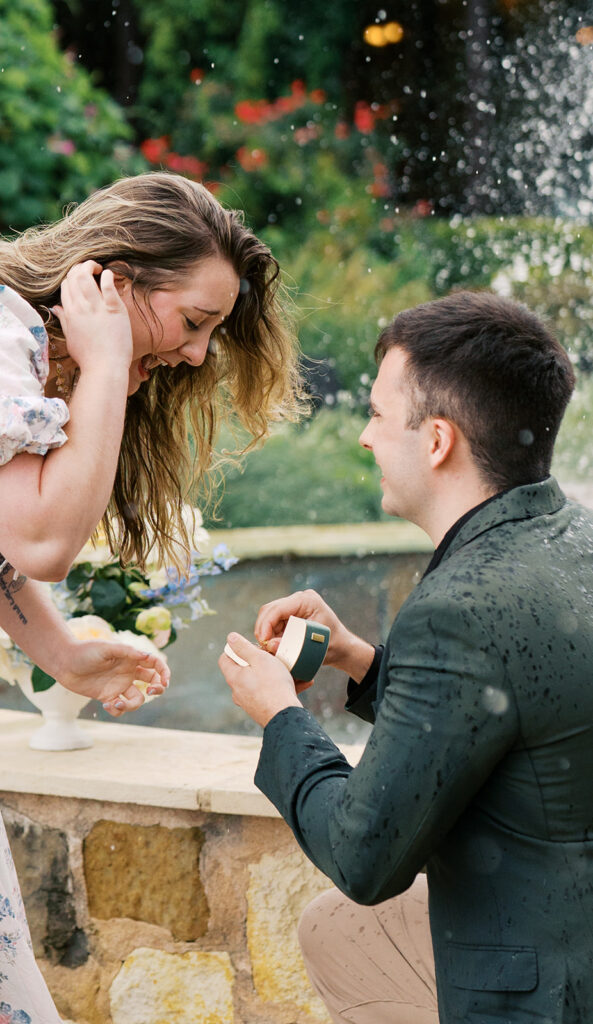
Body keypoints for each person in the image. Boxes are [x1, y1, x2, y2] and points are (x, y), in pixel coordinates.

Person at [0, 171, 303, 1023]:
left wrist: (63, 654)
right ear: (114, 281)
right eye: (193, 322)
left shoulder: (6, 339)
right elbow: (43, 541)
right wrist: (109, 360)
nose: (195, 355)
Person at [219, 290, 593, 1023]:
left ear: (436, 441)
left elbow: (366, 858)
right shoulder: (570, 538)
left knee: (345, 918)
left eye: (377, 415)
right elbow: (513, 704)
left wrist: (280, 717)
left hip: (543, 991)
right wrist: (360, 661)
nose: (363, 436)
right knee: (334, 932)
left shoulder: (457, 608)